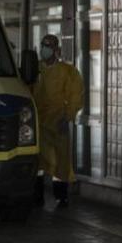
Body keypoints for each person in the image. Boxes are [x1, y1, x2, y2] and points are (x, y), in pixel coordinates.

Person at [32, 34, 84, 208]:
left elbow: (75, 96)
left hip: (57, 122)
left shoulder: (67, 71)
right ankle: (36, 196)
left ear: (56, 49)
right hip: (37, 123)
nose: (44, 49)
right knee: (38, 162)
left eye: (48, 46)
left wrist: (67, 116)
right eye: (43, 45)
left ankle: (61, 196)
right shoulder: (34, 70)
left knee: (60, 162)